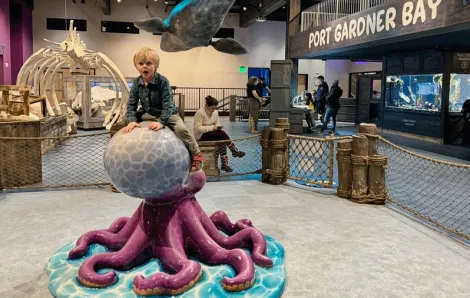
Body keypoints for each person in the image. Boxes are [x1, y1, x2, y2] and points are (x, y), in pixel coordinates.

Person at [122, 47, 203, 172]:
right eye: (141, 63)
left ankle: (196, 153)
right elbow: (131, 104)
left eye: (149, 63)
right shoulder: (136, 83)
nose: (145, 67)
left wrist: (161, 121)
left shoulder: (162, 81)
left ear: (155, 65)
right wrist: (131, 120)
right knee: (125, 119)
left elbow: (168, 104)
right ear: (136, 66)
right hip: (148, 113)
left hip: (167, 113)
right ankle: (125, 151)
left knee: (181, 129)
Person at [194, 96, 246, 172]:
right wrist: (213, 128)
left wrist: (217, 127)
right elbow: (197, 129)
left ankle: (225, 165)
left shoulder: (215, 112)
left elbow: (217, 123)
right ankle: (234, 152)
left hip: (211, 134)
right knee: (222, 134)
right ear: (207, 106)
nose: (214, 110)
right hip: (201, 136)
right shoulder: (200, 113)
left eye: (215, 108)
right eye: (212, 108)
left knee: (222, 141)